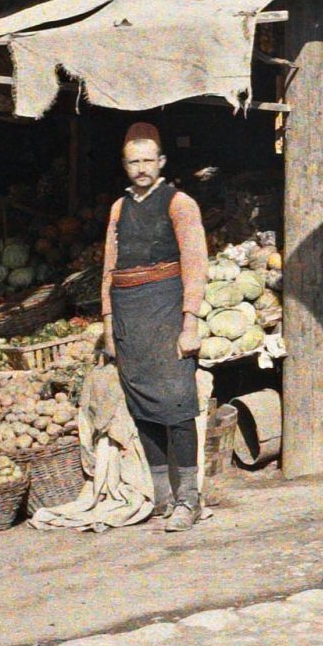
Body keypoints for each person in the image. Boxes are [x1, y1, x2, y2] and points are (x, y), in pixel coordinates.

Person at [100, 122, 210, 532]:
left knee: (177, 403)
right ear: (125, 166)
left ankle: (190, 499)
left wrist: (190, 323)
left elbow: (196, 264)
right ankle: (163, 495)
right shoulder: (118, 208)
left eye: (148, 160)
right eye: (134, 162)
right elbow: (109, 269)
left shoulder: (179, 203)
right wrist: (109, 326)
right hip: (130, 317)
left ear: (161, 161)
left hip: (166, 310)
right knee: (143, 405)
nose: (142, 168)